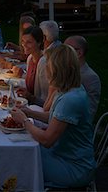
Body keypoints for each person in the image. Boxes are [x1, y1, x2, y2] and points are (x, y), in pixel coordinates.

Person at [11, 44, 96, 188]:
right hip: (61, 153)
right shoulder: (69, 88)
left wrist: (25, 121)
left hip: (74, 167)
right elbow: (55, 117)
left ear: (58, 70)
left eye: (48, 67)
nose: (46, 71)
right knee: (20, 150)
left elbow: (47, 140)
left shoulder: (71, 99)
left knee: (19, 160)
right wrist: (28, 112)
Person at [64, 35, 101, 121]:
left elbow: (89, 113)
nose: (62, 53)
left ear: (79, 53)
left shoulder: (91, 77)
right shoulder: (66, 72)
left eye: (66, 50)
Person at [13, 26, 48, 106]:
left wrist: (30, 97)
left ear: (39, 43)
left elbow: (46, 100)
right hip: (29, 103)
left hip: (38, 109)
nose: (24, 45)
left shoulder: (44, 62)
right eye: (23, 41)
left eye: (29, 42)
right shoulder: (30, 58)